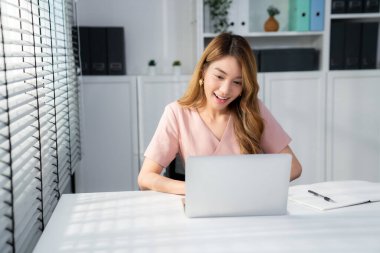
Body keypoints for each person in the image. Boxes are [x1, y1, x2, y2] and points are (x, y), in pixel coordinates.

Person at [138, 33, 302, 195]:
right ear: (203, 71)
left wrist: (252, 187)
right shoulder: (177, 113)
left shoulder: (253, 110)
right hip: (203, 206)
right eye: (219, 76)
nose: (225, 90)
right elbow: (145, 178)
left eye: (237, 82)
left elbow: (294, 168)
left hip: (246, 207)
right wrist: (193, 189)